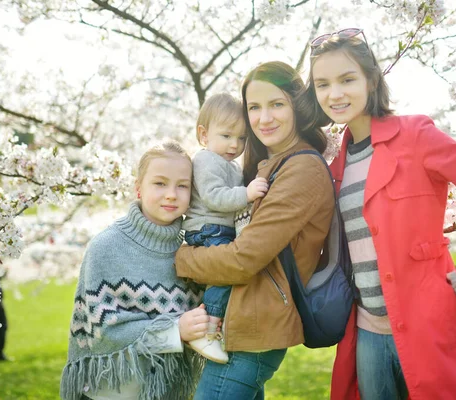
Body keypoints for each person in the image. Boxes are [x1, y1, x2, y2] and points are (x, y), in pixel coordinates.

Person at [304, 28, 456, 399]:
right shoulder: (335, 165)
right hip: (365, 333)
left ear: (371, 80)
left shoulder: (416, 136)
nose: (335, 93)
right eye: (323, 84)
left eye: (347, 79)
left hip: (430, 325)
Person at [175, 61, 335, 400]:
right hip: (242, 320)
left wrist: (181, 257)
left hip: (256, 327)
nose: (264, 118)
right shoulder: (268, 165)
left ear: (296, 106)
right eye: (254, 107)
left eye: (276, 104)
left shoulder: (302, 168)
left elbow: (243, 259)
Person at [60, 141, 209, 400]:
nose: (172, 194)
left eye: (182, 185)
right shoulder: (107, 247)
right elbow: (105, 331)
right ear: (138, 189)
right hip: (111, 392)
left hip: (168, 391)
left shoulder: (193, 252)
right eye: (160, 183)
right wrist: (174, 330)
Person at [183, 93, 269, 364]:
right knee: (225, 274)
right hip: (208, 228)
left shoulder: (227, 162)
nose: (235, 144)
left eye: (241, 138)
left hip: (217, 228)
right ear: (204, 134)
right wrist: (246, 194)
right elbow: (214, 197)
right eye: (227, 136)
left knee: (229, 273)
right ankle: (207, 329)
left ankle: (215, 324)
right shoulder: (206, 160)